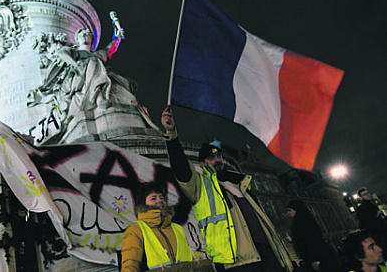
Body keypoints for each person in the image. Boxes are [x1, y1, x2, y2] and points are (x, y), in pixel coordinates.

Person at [161, 107, 293, 272]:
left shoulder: (241, 183)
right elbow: (180, 168)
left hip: (267, 253)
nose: (217, 160)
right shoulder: (200, 185)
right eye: (211, 158)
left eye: (219, 156)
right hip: (236, 261)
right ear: (202, 164)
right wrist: (171, 134)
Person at [121, 182, 193, 272]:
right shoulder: (135, 229)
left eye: (161, 197)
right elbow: (130, 264)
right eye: (153, 198)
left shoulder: (178, 228)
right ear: (143, 203)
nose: (159, 200)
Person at [286, 200, 339, 271]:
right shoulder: (300, 221)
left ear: (296, 209)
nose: (288, 213)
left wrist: (315, 259)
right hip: (313, 257)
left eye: (290, 210)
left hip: (318, 257)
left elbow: (312, 240)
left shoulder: (304, 222)